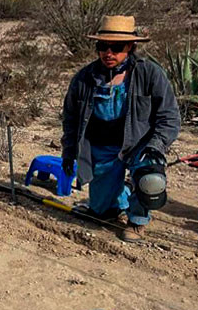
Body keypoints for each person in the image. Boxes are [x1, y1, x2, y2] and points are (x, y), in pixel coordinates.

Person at [61, 15, 180, 243]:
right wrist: (68, 151)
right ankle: (121, 194)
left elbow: (170, 116)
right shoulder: (84, 78)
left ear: (131, 47)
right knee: (100, 212)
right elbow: (71, 119)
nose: (109, 53)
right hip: (103, 145)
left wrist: (156, 146)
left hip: (141, 144)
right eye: (103, 47)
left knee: (150, 179)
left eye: (116, 48)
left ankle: (137, 220)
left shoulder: (150, 74)